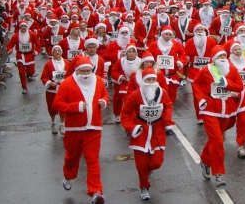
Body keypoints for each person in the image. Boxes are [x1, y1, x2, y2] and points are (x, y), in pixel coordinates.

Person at [53, 55, 109, 204]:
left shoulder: (97, 80)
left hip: (94, 128)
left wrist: (104, 101)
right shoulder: (67, 84)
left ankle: (96, 192)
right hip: (74, 129)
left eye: (88, 71)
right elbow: (57, 104)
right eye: (82, 71)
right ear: (77, 71)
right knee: (72, 157)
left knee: (93, 160)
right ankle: (68, 175)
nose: (85, 74)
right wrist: (75, 107)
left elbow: (104, 94)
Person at [192, 45, 244, 187]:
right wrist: (201, 99)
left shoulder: (231, 69)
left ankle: (205, 160)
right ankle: (219, 173)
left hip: (226, 109)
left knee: (217, 138)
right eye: (219, 56)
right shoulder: (206, 70)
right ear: (214, 59)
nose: (222, 58)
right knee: (218, 141)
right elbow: (196, 84)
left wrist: (228, 84)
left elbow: (240, 86)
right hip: (210, 109)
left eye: (223, 56)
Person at [120, 67, 175, 200]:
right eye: (148, 80)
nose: (151, 82)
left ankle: (148, 171)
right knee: (141, 164)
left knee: (157, 162)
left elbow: (168, 105)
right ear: (143, 81)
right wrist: (131, 127)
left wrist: (167, 120)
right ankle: (144, 186)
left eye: (153, 79)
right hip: (141, 131)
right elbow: (125, 113)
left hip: (157, 131)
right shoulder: (135, 95)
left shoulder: (162, 93)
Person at [226, 41, 245, 158]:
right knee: (229, 122)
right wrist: (229, 91)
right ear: (231, 51)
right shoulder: (228, 63)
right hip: (233, 97)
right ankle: (222, 131)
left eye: (239, 49)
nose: (238, 51)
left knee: (243, 123)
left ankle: (241, 147)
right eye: (235, 49)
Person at [184, 22, 218, 124]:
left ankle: (209, 112)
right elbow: (185, 56)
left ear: (204, 31)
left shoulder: (211, 41)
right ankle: (199, 116)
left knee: (209, 93)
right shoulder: (190, 42)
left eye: (201, 30)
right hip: (194, 71)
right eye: (197, 30)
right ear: (194, 32)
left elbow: (216, 54)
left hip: (208, 71)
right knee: (196, 94)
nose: (199, 32)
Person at [147, 25, 187, 104]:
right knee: (158, 96)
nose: (168, 37)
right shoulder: (154, 44)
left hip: (172, 75)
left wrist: (180, 62)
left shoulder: (176, 44)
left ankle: (168, 111)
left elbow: (183, 53)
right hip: (158, 75)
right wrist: (150, 64)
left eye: (170, 35)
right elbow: (148, 54)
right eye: (166, 34)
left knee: (172, 96)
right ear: (162, 34)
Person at [40, 45, 70, 134]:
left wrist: (67, 82)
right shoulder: (48, 64)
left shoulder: (67, 63)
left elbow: (70, 75)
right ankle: (53, 123)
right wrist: (50, 83)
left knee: (63, 107)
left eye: (59, 51)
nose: (57, 53)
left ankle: (62, 124)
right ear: (52, 53)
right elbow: (44, 77)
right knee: (52, 108)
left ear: (61, 52)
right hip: (52, 91)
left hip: (63, 90)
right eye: (55, 51)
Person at [6, 20, 41, 94]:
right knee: (21, 73)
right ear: (19, 27)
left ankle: (29, 74)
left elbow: (38, 44)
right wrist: (10, 50)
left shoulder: (32, 34)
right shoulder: (16, 36)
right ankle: (24, 87)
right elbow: (10, 45)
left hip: (30, 55)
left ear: (27, 27)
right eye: (22, 26)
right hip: (20, 55)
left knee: (31, 71)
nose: (23, 27)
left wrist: (37, 51)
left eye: (25, 26)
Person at [111, 43, 141, 123]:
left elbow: (143, 71)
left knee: (130, 100)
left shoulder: (139, 61)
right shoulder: (121, 61)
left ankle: (131, 117)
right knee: (117, 100)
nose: (131, 53)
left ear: (136, 53)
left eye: (133, 52)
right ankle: (117, 114)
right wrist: (120, 77)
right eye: (129, 52)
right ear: (126, 53)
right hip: (122, 83)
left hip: (134, 84)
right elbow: (114, 70)